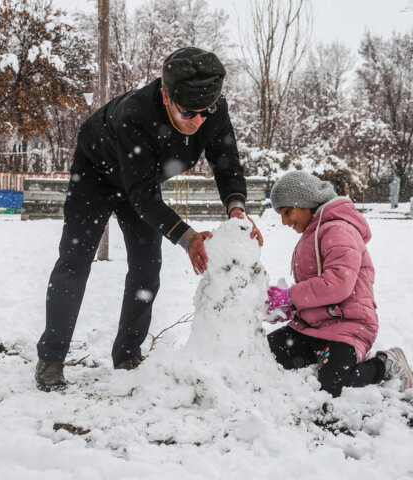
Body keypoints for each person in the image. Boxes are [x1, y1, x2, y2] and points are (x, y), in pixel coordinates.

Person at [35, 47, 263, 392]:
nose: (199, 120)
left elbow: (227, 164)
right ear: (166, 95)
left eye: (206, 111)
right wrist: (187, 237)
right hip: (97, 175)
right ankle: (51, 358)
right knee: (74, 261)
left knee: (146, 265)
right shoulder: (136, 114)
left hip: (144, 182)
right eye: (189, 112)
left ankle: (128, 354)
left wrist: (237, 212)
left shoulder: (213, 111)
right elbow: (140, 195)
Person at [265, 170, 413, 397]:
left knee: (335, 385)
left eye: (287, 212)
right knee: (260, 355)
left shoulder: (339, 230)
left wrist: (290, 296)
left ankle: (386, 364)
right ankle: (320, 359)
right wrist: (292, 306)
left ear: (306, 203)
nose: (285, 221)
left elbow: (338, 284)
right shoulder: (312, 232)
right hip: (310, 327)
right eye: (280, 214)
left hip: (347, 326)